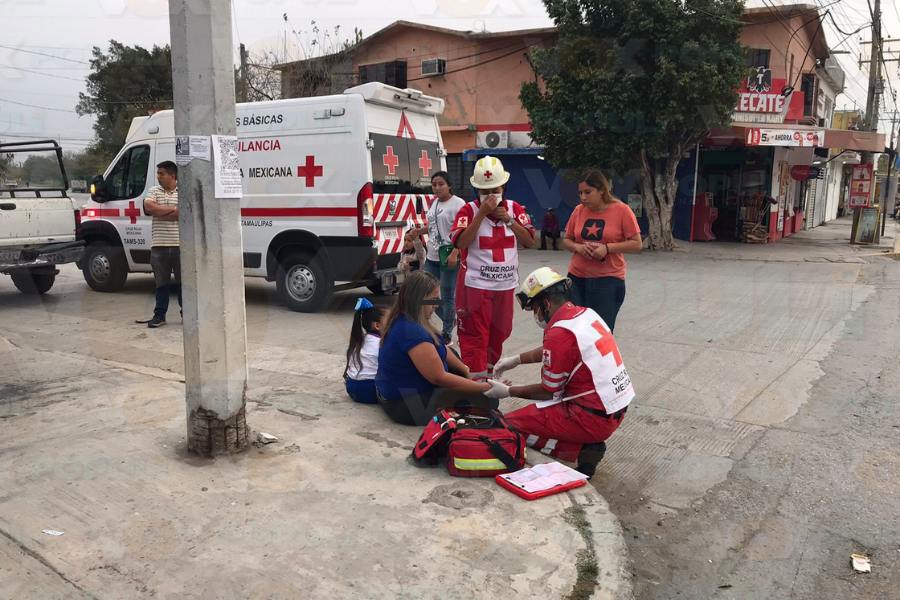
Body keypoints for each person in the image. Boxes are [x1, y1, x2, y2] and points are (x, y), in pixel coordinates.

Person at [489, 267, 635, 479]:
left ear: (546, 303)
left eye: (535, 308)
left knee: (508, 426)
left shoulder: (559, 333)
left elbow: (549, 392)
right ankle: (584, 445)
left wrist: (508, 391)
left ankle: (581, 450)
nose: (536, 315)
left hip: (590, 417)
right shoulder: (585, 315)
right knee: (537, 413)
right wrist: (516, 360)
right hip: (614, 409)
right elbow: (556, 352)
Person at [375, 271, 506, 426]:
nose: (436, 305)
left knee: (453, 355)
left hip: (398, 394)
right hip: (407, 405)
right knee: (490, 399)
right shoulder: (412, 332)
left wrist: (465, 371)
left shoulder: (406, 318)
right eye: (433, 300)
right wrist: (482, 387)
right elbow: (439, 377)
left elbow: (443, 348)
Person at [451, 155, 536, 380]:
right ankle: (477, 386)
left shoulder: (515, 208)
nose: (490, 196)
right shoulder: (467, 211)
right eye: (483, 191)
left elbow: (530, 241)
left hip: (504, 286)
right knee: (474, 335)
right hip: (474, 286)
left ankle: (488, 377)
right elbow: (461, 243)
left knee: (500, 332)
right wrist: (480, 214)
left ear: (504, 187)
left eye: (495, 190)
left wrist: (509, 219)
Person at [561, 170, 641, 333]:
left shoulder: (622, 211)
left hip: (608, 281)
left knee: (599, 332)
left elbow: (636, 243)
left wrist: (607, 248)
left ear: (602, 190)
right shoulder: (578, 211)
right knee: (574, 329)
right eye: (580, 193)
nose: (583, 197)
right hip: (577, 279)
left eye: (588, 192)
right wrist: (578, 247)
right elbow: (567, 239)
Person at [421, 171, 466, 344]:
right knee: (424, 292)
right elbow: (433, 227)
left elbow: (463, 230)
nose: (437, 187)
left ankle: (447, 333)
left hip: (449, 255)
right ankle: (450, 318)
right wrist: (419, 231)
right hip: (432, 255)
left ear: (449, 185)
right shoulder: (434, 203)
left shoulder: (458, 204)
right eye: (434, 185)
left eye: (441, 184)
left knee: (447, 294)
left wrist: (456, 252)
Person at [136, 161, 181, 328]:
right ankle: (159, 315)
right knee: (161, 283)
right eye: (158, 173)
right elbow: (149, 207)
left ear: (172, 175)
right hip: (159, 245)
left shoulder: (183, 191)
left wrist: (160, 211)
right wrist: (172, 210)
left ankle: (187, 315)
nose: (158, 176)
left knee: (184, 283)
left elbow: (183, 212)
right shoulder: (154, 190)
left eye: (161, 173)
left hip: (179, 245)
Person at [344, 298, 385, 405]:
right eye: (390, 321)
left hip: (351, 387)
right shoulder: (381, 343)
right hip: (369, 390)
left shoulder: (360, 340)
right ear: (377, 325)